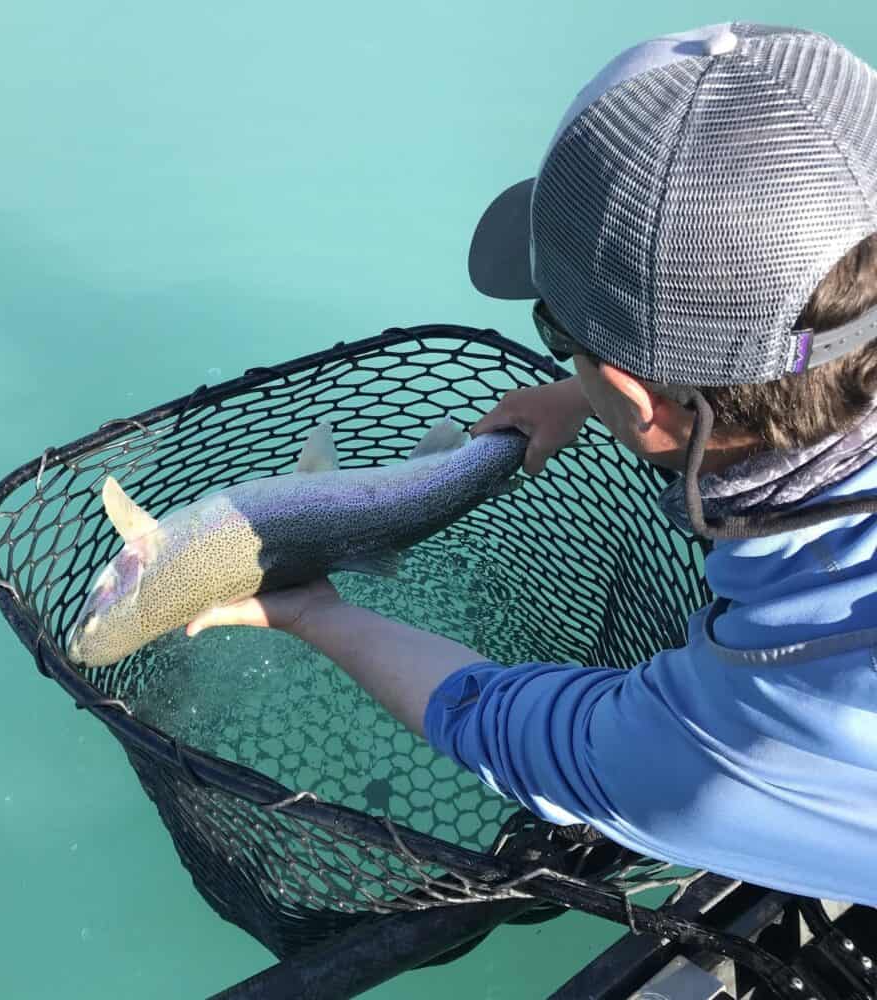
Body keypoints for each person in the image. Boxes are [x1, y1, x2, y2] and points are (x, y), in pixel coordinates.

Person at [188, 23, 877, 905]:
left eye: (558, 333)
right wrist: (593, 389)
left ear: (640, 400)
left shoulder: (752, 729)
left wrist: (318, 613)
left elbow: (522, 734)